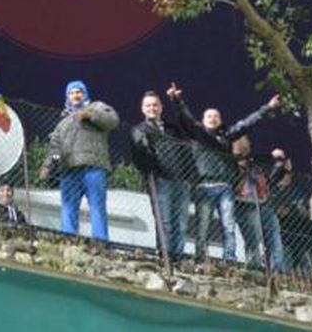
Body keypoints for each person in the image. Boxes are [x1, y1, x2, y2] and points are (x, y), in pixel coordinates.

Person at [169, 85, 280, 262]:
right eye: (209, 116)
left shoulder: (227, 136)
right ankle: (200, 257)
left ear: (220, 120)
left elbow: (247, 123)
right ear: (203, 120)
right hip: (203, 186)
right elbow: (186, 119)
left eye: (216, 116)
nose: (212, 119)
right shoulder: (198, 134)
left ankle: (229, 257)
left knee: (228, 225)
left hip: (224, 187)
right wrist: (177, 101)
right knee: (203, 225)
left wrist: (268, 108)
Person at [39, 80, 118, 242]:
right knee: (68, 208)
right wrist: (47, 165)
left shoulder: (96, 107)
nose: (75, 95)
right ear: (67, 97)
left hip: (93, 167)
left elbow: (112, 120)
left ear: (85, 94)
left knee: (97, 207)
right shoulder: (62, 123)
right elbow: (55, 147)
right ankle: (69, 241)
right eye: (72, 93)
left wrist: (91, 115)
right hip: (69, 170)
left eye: (79, 92)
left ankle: (101, 243)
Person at [130, 88, 195, 259]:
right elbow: (139, 157)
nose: (152, 108)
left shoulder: (173, 129)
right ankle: (165, 256)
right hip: (159, 181)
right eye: (148, 105)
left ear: (161, 107)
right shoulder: (139, 130)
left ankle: (177, 257)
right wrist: (151, 171)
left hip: (181, 180)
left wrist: (189, 177)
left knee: (181, 223)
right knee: (164, 221)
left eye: (155, 105)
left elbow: (186, 150)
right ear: (142, 109)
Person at [231, 135, 287, 271]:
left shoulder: (253, 163)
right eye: (245, 141)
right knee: (253, 236)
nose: (248, 143)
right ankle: (254, 265)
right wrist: (271, 156)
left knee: (274, 233)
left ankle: (277, 267)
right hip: (244, 202)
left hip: (262, 202)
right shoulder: (231, 159)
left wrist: (280, 164)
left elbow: (269, 179)